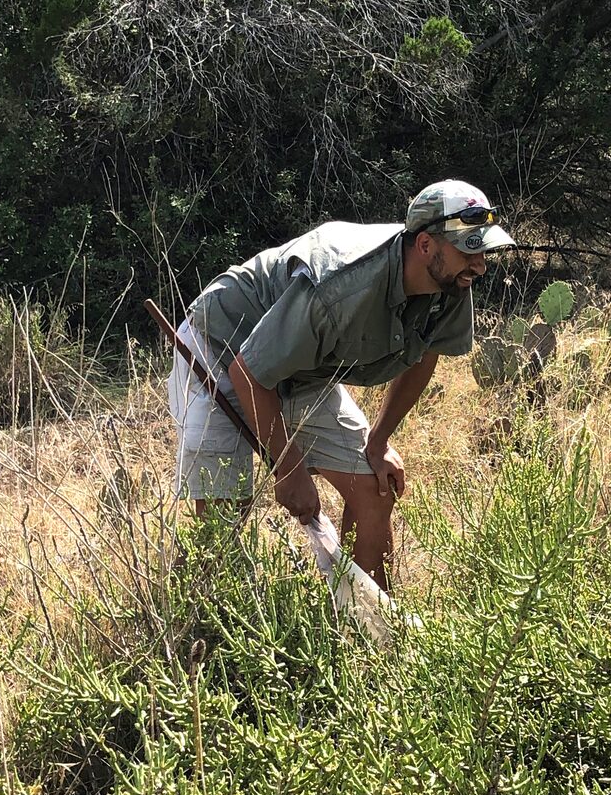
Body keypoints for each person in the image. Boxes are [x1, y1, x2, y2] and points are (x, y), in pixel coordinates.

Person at [168, 179, 515, 590]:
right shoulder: (342, 286)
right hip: (222, 348)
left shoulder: (450, 282)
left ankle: (366, 631)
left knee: (374, 486)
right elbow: (249, 372)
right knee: (224, 518)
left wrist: (380, 439)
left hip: (303, 368)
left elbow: (425, 354)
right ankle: (196, 629)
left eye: (482, 252)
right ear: (425, 245)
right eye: (469, 251)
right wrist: (289, 467)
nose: (480, 266)